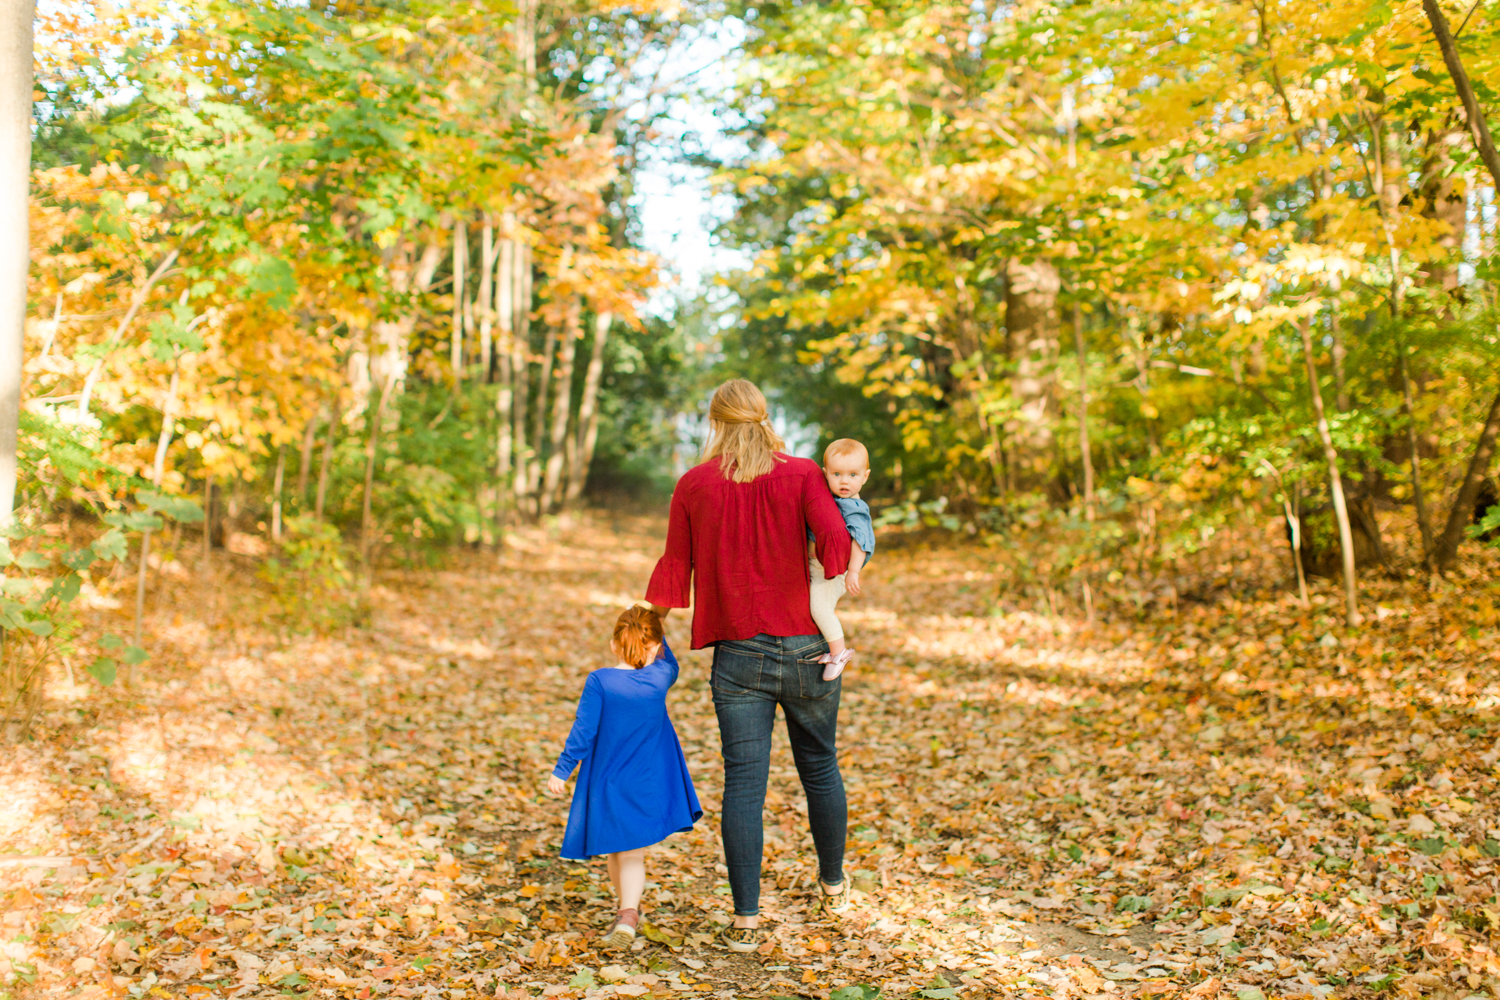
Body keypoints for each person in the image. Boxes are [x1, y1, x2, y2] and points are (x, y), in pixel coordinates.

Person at [645, 378, 855, 953]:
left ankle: (745, 919)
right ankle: (833, 884)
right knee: (820, 767)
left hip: (738, 655)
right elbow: (834, 547)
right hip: (809, 651)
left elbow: (675, 566)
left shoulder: (693, 485)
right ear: (764, 417)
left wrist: (646, 624)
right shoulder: (805, 473)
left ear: (715, 423)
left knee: (744, 784)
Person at [545, 606, 701, 949]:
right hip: (646, 778)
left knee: (624, 849)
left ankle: (628, 915)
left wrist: (563, 768)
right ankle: (625, 912)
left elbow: (584, 730)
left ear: (615, 644)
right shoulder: (660, 677)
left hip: (608, 778)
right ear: (655, 644)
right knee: (623, 849)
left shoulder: (601, 681)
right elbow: (670, 662)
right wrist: (658, 624)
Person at [807, 438, 875, 681]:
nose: (845, 481)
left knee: (820, 606)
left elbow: (861, 542)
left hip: (837, 572)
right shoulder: (829, 499)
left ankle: (839, 652)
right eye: (837, 474)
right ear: (825, 474)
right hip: (816, 568)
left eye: (853, 474)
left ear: (865, 477)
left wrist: (853, 572)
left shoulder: (853, 507)